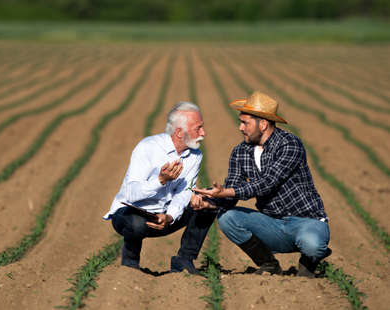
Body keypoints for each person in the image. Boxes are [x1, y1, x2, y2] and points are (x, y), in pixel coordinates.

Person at [192, 91, 331, 278]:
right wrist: (210, 202)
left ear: (263, 124)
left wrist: (225, 192)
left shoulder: (289, 144)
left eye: (245, 123)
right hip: (273, 224)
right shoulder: (240, 152)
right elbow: (233, 190)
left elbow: (267, 183)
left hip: (306, 221)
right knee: (228, 218)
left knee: (312, 245)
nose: (240, 128)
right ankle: (269, 264)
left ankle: (311, 258)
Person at [103, 101, 216, 274]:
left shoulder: (195, 155)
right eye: (198, 128)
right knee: (136, 224)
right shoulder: (148, 147)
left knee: (210, 201)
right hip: (130, 214)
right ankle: (130, 264)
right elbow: (130, 194)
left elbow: (184, 192)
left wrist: (170, 216)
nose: (203, 133)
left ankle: (184, 260)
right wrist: (160, 180)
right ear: (179, 132)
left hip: (164, 217)